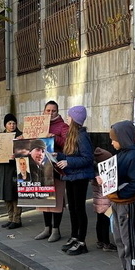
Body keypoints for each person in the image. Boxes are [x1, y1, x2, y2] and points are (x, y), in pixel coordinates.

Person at [106, 120, 135, 270]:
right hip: (118, 202)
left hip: (127, 203)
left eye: (114, 139)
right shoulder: (122, 153)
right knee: (120, 239)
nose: (112, 142)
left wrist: (120, 194)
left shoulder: (133, 155)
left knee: (130, 239)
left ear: (122, 138)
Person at [56, 106, 96, 255]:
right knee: (72, 207)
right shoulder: (72, 135)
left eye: (69, 116)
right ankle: (74, 236)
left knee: (79, 208)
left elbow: (87, 158)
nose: (67, 118)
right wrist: (58, 156)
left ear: (74, 119)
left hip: (80, 177)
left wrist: (68, 162)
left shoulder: (82, 136)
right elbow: (71, 155)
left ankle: (81, 242)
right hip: (71, 175)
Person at [35, 101, 69, 243]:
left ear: (57, 111)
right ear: (44, 111)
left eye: (53, 110)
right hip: (41, 167)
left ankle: (56, 229)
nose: (50, 113)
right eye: (48, 110)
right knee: (44, 198)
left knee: (56, 200)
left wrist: (54, 137)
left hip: (56, 168)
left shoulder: (63, 126)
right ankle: (47, 228)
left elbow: (68, 143)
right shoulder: (38, 125)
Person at [0, 114, 23, 229]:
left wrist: (16, 155)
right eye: (9, 123)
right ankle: (10, 218)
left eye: (14, 123)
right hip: (3, 168)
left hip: (14, 168)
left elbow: (25, 151)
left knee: (14, 194)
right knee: (6, 194)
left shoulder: (21, 136)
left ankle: (17, 219)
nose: (12, 125)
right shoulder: (0, 137)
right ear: (5, 125)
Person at [92, 147, 115, 251]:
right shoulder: (103, 176)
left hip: (98, 202)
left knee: (99, 221)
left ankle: (100, 241)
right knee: (105, 222)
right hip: (105, 202)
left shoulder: (95, 175)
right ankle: (106, 243)